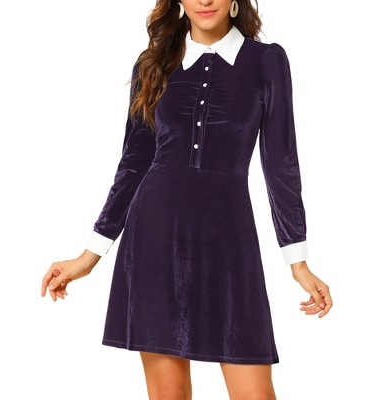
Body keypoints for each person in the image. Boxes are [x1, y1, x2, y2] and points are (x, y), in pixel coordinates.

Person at [41, 0, 333, 398]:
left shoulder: (267, 61)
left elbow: (281, 162)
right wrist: (89, 255)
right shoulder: (152, 64)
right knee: (169, 392)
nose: (204, 1)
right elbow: (133, 164)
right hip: (156, 238)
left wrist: (297, 261)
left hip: (230, 241)